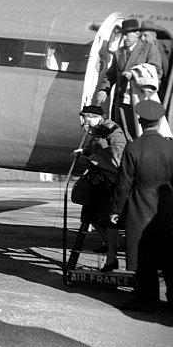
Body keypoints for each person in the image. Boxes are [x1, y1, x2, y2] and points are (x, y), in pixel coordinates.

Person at [110, 100, 173, 274]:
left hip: (140, 206)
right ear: (160, 122)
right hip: (166, 207)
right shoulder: (170, 147)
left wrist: (116, 210)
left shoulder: (133, 148)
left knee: (139, 251)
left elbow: (124, 183)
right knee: (164, 251)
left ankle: (142, 295)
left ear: (140, 121)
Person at [75, 105, 127, 271]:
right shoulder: (97, 131)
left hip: (109, 183)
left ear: (93, 116)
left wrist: (93, 159)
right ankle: (110, 245)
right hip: (98, 182)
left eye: (86, 117)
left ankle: (112, 258)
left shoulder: (111, 129)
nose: (84, 121)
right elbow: (96, 149)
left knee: (105, 219)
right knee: (91, 217)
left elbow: (118, 152)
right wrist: (85, 151)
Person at [96, 19, 162, 140]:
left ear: (137, 34)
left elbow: (157, 73)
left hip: (140, 101)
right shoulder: (119, 52)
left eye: (127, 34)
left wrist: (135, 74)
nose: (124, 37)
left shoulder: (150, 49)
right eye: (123, 34)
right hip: (121, 102)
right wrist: (104, 90)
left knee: (137, 133)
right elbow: (111, 75)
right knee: (120, 134)